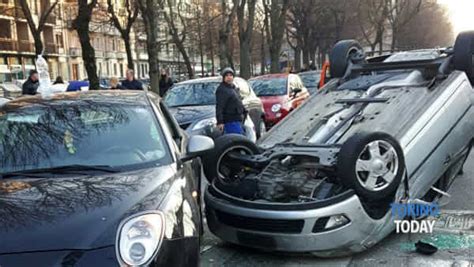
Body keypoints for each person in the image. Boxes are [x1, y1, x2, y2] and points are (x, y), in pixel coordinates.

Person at [215, 67, 246, 135]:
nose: (229, 77)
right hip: (230, 120)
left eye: (231, 75)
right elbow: (219, 106)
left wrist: (244, 112)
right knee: (236, 140)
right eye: (227, 75)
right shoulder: (222, 90)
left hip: (238, 119)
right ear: (223, 78)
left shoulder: (233, 88)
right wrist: (220, 122)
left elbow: (239, 101)